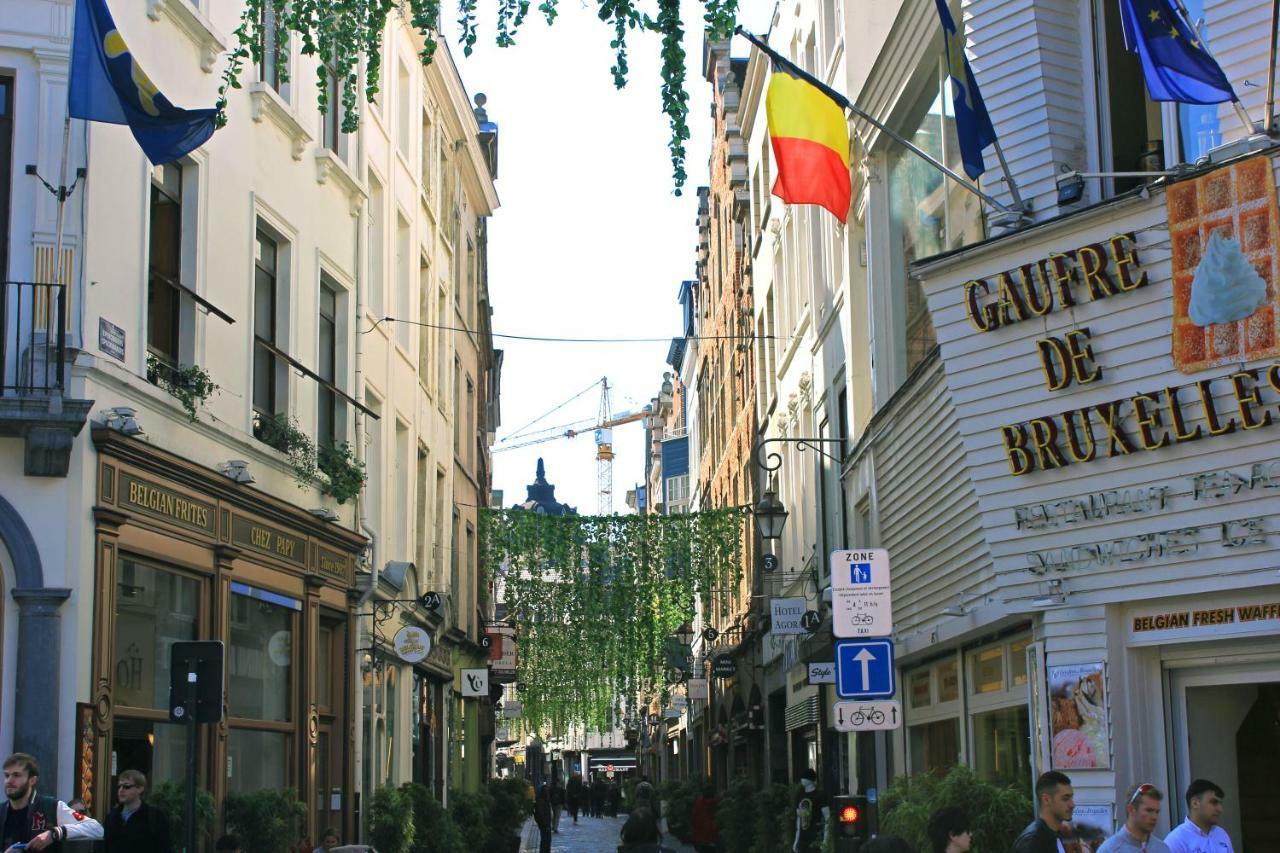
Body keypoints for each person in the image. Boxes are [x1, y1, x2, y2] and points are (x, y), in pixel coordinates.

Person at [1, 752, 103, 851]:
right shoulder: (1, 811)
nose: (9, 780)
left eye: (16, 775)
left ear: (32, 780)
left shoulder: (52, 807)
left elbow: (97, 829)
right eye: (7, 775)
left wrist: (56, 833)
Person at [103, 769, 171, 853]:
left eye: (126, 786)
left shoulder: (154, 817)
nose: (121, 790)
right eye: (119, 786)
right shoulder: (112, 817)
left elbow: (164, 848)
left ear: (140, 789)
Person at [1097, 784, 1171, 853]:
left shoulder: (1162, 849)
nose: (1154, 817)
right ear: (1131, 809)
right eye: (1149, 810)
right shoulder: (1110, 849)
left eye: (1157, 812)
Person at [1013, 770, 1074, 853]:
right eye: (1065, 798)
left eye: (1071, 798)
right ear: (1046, 800)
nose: (1072, 804)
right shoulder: (1032, 842)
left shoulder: (1055, 834)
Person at [1165, 779, 1233, 853]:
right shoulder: (1176, 841)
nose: (1220, 809)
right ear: (1195, 803)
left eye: (1220, 804)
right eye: (1214, 802)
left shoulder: (1221, 834)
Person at [793, 768, 829, 853]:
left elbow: (827, 817)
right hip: (803, 838)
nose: (802, 780)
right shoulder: (800, 795)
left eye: (804, 777)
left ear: (810, 779)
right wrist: (796, 840)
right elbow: (799, 819)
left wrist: (825, 840)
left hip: (816, 836)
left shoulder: (820, 795)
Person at [690, 780, 720, 853]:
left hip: (700, 837)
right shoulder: (718, 803)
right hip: (714, 836)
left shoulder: (699, 803)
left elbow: (694, 819)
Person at [534, 781, 553, 853]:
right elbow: (540, 814)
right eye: (546, 791)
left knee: (547, 840)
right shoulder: (541, 801)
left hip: (546, 824)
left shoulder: (545, 800)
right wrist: (545, 824)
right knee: (545, 840)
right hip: (544, 824)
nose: (547, 793)